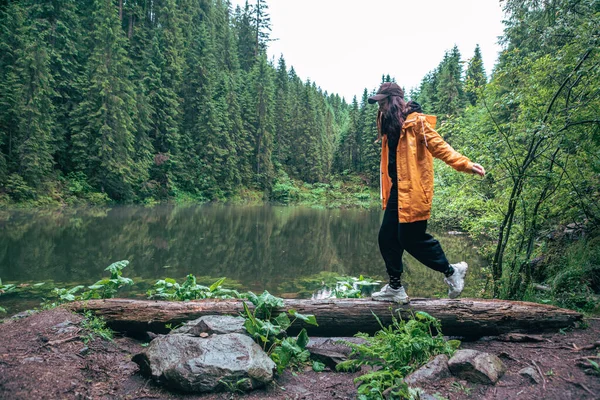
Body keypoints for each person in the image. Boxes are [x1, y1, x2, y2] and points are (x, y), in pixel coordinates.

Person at [369, 82, 485, 304]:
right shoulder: (390, 126)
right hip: (397, 191)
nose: (380, 108)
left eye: (383, 103)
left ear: (393, 101)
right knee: (387, 237)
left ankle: (452, 272)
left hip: (414, 191)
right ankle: (395, 288)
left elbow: (439, 146)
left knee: (411, 239)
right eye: (378, 104)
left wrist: (465, 164)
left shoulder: (417, 123)